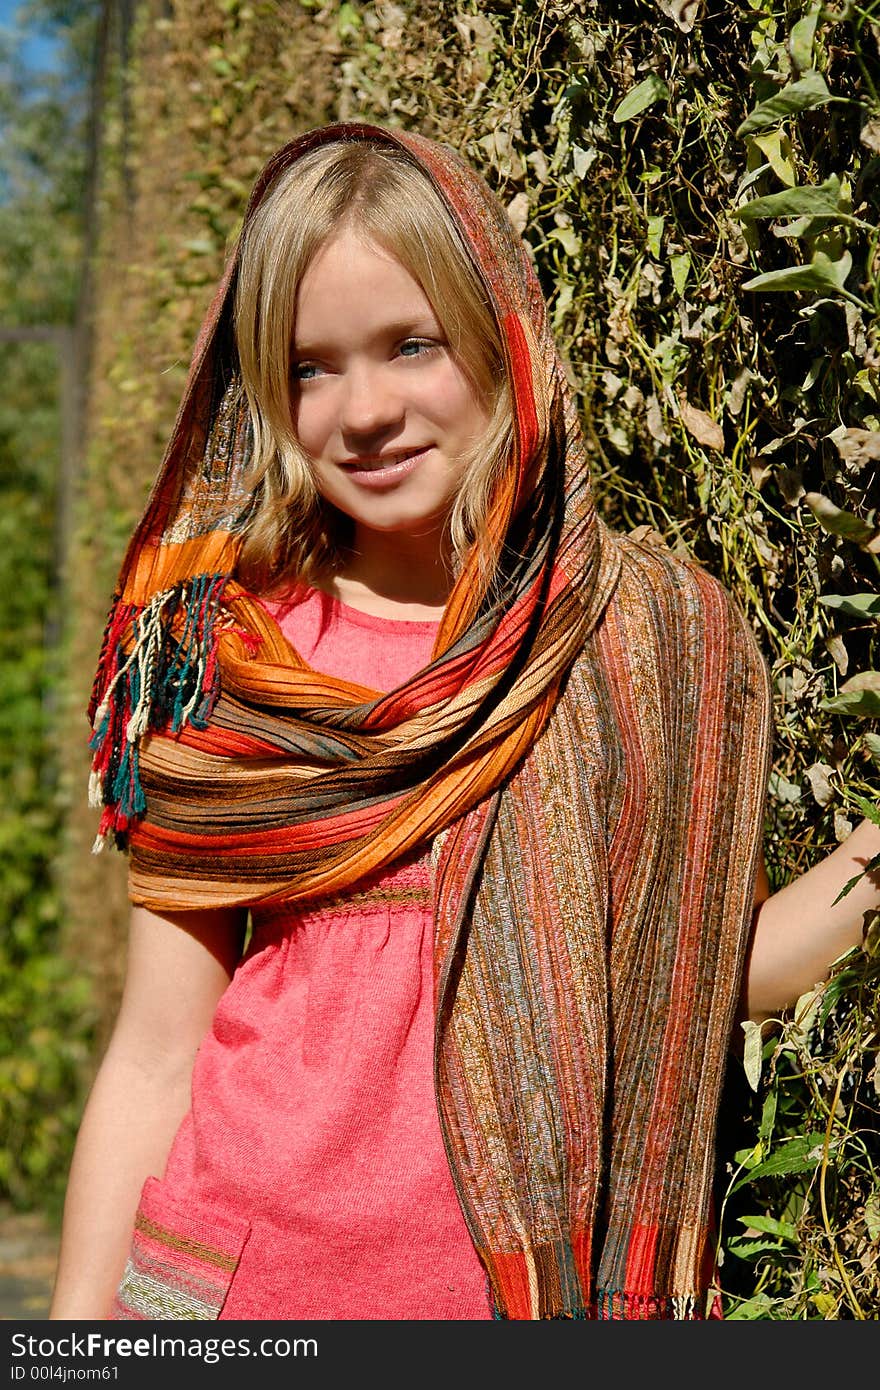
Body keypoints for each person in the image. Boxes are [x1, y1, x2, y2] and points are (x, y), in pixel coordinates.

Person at [48, 122, 880, 1322]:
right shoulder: (223, 660)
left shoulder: (644, 637)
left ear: (505, 338)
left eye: (410, 346)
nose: (363, 409)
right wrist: (77, 1334)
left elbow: (699, 973)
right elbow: (155, 1049)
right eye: (310, 368)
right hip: (230, 1295)